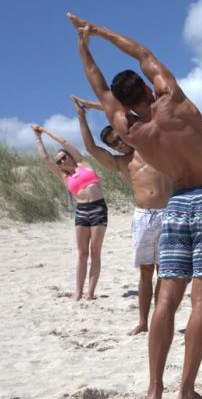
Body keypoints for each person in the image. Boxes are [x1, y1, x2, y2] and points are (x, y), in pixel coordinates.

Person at [67, 13, 202, 399]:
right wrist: (98, 31)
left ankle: (154, 389)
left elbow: (97, 85)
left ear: (122, 102)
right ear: (147, 87)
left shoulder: (129, 130)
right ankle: (186, 391)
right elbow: (142, 52)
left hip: (176, 204)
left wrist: (82, 47)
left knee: (166, 299)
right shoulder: (174, 101)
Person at [71, 95, 172, 335]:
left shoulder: (153, 147)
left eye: (119, 137)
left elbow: (136, 114)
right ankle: (143, 321)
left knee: (166, 272)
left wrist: (96, 105)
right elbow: (90, 148)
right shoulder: (120, 163)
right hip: (143, 217)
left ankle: (160, 320)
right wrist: (81, 117)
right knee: (146, 272)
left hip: (169, 213)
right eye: (114, 143)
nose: (119, 144)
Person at [31, 123, 107, 301]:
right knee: (82, 253)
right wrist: (37, 137)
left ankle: (90, 293)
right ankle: (78, 292)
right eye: (59, 162)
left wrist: (44, 130)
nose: (62, 162)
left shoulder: (83, 164)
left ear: (70, 157)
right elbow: (44, 159)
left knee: (95, 251)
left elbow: (64, 141)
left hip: (98, 208)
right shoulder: (64, 176)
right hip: (82, 211)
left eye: (63, 158)